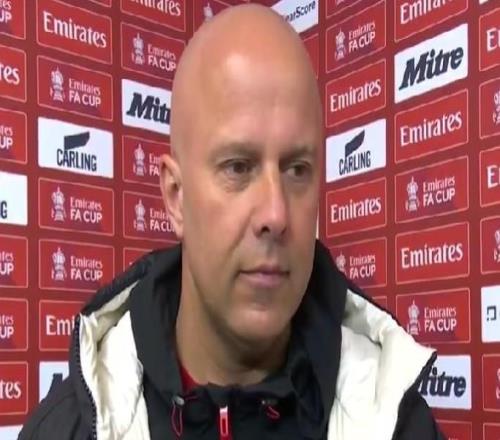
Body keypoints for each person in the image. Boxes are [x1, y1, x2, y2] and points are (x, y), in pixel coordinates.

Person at [19, 4, 445, 440]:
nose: (276, 214)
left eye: (297, 169)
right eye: (238, 167)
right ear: (176, 197)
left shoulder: (400, 426)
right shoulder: (65, 430)